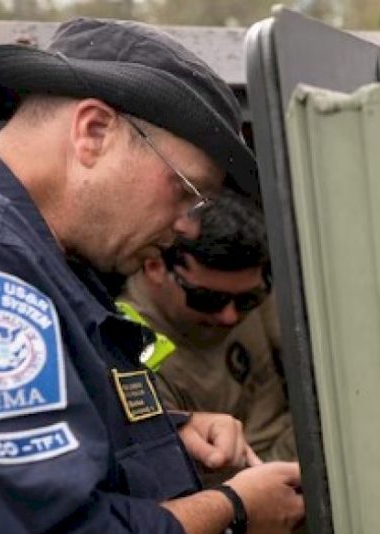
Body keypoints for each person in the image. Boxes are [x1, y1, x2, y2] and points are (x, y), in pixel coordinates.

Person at [0, 18, 304, 534]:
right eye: (186, 192)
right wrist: (232, 513)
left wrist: (163, 435)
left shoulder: (38, 249)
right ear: (94, 132)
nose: (186, 228)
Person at [121, 191, 296, 480]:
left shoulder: (251, 292)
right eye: (208, 299)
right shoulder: (129, 348)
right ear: (154, 267)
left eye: (247, 301)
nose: (230, 316)